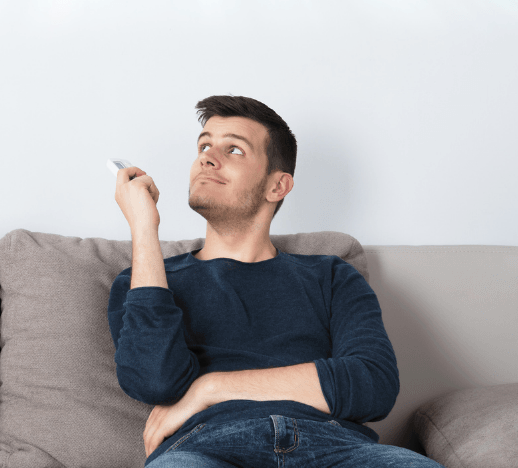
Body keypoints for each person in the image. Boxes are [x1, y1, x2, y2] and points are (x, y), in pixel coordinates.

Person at [109, 95, 443, 468]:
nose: (206, 156)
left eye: (233, 149)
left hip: (336, 449)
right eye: (204, 145)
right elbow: (155, 382)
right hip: (207, 448)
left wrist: (209, 388)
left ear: (277, 186)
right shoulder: (144, 281)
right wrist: (144, 228)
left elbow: (373, 383)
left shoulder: (331, 276)